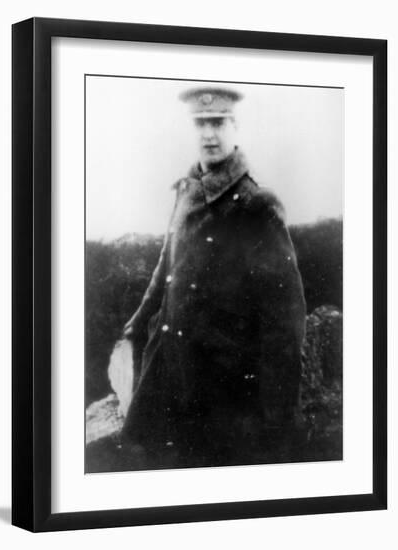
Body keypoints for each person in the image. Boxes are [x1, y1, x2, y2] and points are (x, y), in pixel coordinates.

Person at [121, 86, 306, 467]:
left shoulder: (257, 205)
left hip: (226, 384)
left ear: (235, 126)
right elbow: (167, 265)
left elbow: (283, 322)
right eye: (200, 124)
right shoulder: (186, 190)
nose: (208, 134)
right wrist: (136, 325)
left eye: (218, 123)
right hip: (171, 369)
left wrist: (277, 420)